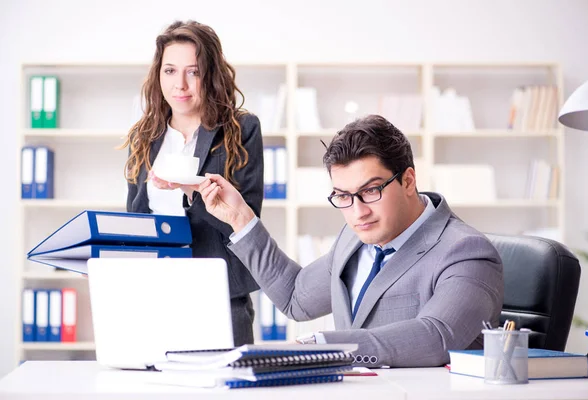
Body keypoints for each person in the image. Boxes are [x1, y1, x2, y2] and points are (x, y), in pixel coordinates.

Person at [197, 114, 503, 368]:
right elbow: (295, 298)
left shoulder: (466, 252)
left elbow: (437, 336)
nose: (358, 212)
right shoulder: (356, 238)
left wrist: (325, 347)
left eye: (371, 190)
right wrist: (240, 217)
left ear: (408, 181)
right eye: (343, 196)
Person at [122, 20, 263, 346]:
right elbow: (135, 218)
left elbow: (246, 222)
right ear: (158, 74)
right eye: (170, 71)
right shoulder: (142, 137)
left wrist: (191, 192)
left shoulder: (241, 130)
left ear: (210, 74)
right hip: (157, 293)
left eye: (193, 71)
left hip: (220, 293)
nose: (180, 84)